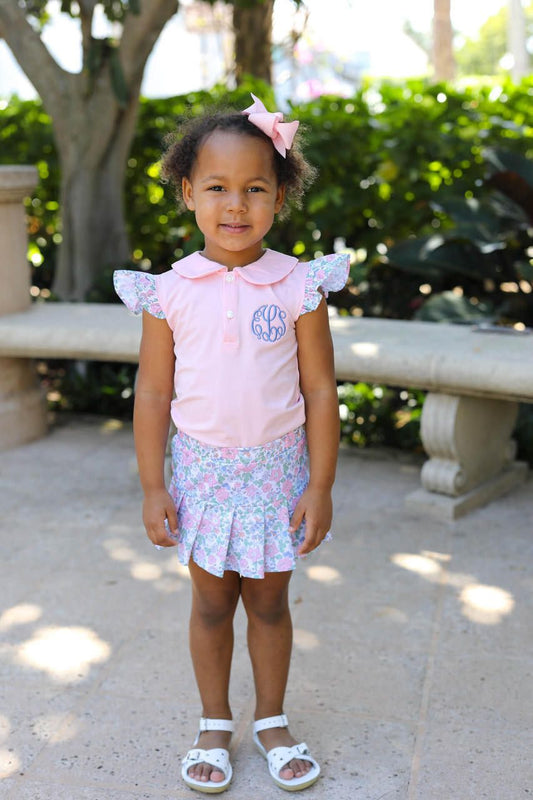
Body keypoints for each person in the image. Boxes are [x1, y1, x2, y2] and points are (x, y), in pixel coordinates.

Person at [114, 93, 349, 794]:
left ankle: (270, 718)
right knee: (212, 603)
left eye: (254, 188)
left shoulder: (298, 285)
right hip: (202, 477)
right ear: (188, 194)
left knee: (270, 603)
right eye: (216, 187)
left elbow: (318, 392)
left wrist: (321, 484)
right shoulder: (169, 292)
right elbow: (153, 394)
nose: (235, 205)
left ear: (279, 196)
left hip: (277, 476)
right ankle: (213, 721)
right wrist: (153, 484)